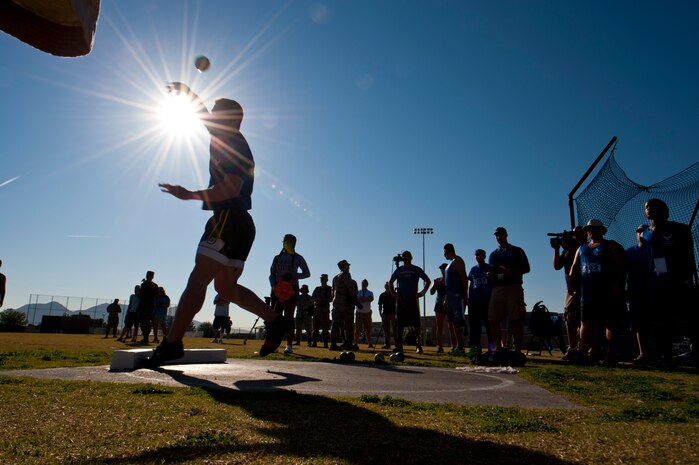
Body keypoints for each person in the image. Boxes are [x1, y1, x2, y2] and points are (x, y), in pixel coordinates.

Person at [147, 83, 291, 367]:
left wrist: (189, 194)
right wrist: (189, 95)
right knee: (226, 288)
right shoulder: (225, 136)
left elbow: (230, 187)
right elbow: (202, 117)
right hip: (242, 224)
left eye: (214, 113)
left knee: (198, 279)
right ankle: (275, 321)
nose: (208, 117)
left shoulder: (232, 143)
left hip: (227, 219)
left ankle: (172, 343)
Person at [643, 198, 697, 367]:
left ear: (664, 211)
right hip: (657, 284)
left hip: (679, 282)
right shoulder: (644, 232)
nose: (649, 208)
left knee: (687, 318)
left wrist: (688, 279)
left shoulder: (679, 229)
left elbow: (689, 256)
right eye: (647, 207)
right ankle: (663, 354)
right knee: (660, 320)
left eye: (654, 206)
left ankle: (695, 351)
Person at [569, 219, 627, 365]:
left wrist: (618, 287)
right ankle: (591, 351)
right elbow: (574, 269)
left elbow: (621, 268)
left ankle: (611, 354)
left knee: (610, 323)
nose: (591, 231)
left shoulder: (611, 246)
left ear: (602, 230)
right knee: (587, 323)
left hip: (607, 291)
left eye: (594, 228)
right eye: (588, 229)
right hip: (587, 293)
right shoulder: (582, 249)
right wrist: (572, 286)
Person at [487, 227, 530, 354]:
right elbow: (492, 270)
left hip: (513, 286)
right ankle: (498, 348)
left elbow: (527, 268)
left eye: (500, 235)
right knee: (493, 318)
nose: (498, 237)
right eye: (496, 235)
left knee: (516, 318)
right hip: (497, 287)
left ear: (506, 235)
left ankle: (517, 349)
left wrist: (512, 272)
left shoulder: (517, 251)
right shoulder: (494, 254)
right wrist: (491, 275)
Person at [269, 233, 311, 355]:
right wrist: (273, 286)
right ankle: (274, 344)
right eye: (286, 241)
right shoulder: (276, 257)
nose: (288, 243)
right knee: (275, 317)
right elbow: (271, 273)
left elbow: (307, 273)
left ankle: (289, 345)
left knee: (288, 317)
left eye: (291, 241)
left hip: (291, 289)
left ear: (294, 244)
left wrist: (293, 276)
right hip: (277, 289)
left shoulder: (298, 258)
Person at [553, 227, 586, 360]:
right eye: (573, 233)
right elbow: (557, 266)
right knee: (570, 318)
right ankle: (572, 348)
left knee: (586, 320)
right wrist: (556, 249)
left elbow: (581, 255)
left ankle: (583, 348)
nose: (574, 235)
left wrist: (567, 245)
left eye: (578, 233)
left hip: (585, 286)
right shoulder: (567, 250)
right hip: (571, 288)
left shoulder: (585, 247)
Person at [389, 251, 431, 354]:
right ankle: (399, 346)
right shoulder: (399, 269)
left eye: (407, 256)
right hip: (401, 300)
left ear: (411, 257)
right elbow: (390, 282)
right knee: (400, 324)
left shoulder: (416, 269)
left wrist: (421, 293)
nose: (406, 258)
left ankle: (418, 345)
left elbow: (428, 281)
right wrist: (394, 294)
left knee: (416, 323)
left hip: (412, 300)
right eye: (404, 256)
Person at [626, 224, 653, 364]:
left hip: (654, 291)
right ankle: (643, 353)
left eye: (644, 231)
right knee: (639, 324)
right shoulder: (630, 252)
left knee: (656, 322)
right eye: (639, 231)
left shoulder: (655, 250)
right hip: (636, 292)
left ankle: (658, 353)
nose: (641, 233)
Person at [443, 244, 468, 356]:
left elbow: (464, 278)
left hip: (458, 297)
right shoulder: (449, 264)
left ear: (447, 251)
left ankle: (470, 347)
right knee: (453, 323)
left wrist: (465, 295)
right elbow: (449, 284)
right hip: (451, 297)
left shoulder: (458, 260)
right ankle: (459, 346)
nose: (443, 254)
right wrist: (446, 298)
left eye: (444, 252)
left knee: (460, 322)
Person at [467, 249, 494, 354]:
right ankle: (476, 348)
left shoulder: (489, 268)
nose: (478, 257)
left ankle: (492, 348)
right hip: (475, 301)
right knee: (475, 327)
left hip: (487, 300)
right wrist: (469, 298)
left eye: (480, 255)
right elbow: (471, 285)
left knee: (489, 325)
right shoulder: (473, 269)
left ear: (484, 256)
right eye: (476, 255)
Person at [331, 259, 357, 351]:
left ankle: (333, 344)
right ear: (344, 267)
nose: (349, 267)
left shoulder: (335, 277)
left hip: (336, 304)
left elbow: (332, 292)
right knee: (349, 325)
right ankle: (349, 344)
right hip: (346, 304)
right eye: (347, 266)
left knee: (335, 325)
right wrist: (354, 298)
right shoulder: (346, 274)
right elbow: (350, 287)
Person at [429, 263, 448, 353]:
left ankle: (456, 346)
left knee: (452, 326)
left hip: (449, 304)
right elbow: (431, 292)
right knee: (439, 326)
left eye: (444, 269)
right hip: (439, 305)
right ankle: (439, 346)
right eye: (441, 270)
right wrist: (435, 285)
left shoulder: (451, 280)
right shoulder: (437, 280)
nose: (442, 271)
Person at [137, 270, 158, 344]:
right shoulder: (143, 284)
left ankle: (146, 338)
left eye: (150, 276)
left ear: (152, 277)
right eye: (148, 275)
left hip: (149, 306)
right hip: (143, 305)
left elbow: (156, 296)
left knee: (148, 322)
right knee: (142, 322)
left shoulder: (154, 285)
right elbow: (139, 295)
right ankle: (144, 337)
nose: (149, 277)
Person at [311, 274, 332, 348]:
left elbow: (331, 298)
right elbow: (312, 298)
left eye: (324, 279)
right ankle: (314, 342)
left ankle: (325, 343)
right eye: (321, 279)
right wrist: (317, 300)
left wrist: (323, 300)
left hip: (325, 311)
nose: (322, 280)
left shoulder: (330, 289)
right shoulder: (317, 289)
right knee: (315, 328)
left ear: (327, 280)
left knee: (325, 328)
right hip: (317, 310)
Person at [355, 279, 374, 348]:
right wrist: (366, 299)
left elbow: (371, 299)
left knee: (368, 329)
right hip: (359, 312)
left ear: (367, 284)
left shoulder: (370, 292)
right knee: (357, 329)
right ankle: (356, 343)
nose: (364, 285)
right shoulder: (358, 292)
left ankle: (370, 343)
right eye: (363, 283)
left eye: (365, 283)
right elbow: (357, 300)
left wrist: (362, 299)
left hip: (367, 313)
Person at [377, 281, 397, 350]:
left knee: (395, 330)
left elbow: (398, 303)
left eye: (389, 285)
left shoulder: (394, 294)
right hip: (385, 314)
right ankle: (387, 344)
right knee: (386, 330)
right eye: (386, 286)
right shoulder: (382, 295)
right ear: (385, 287)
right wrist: (380, 314)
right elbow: (380, 305)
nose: (387, 287)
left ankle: (397, 344)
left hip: (393, 314)